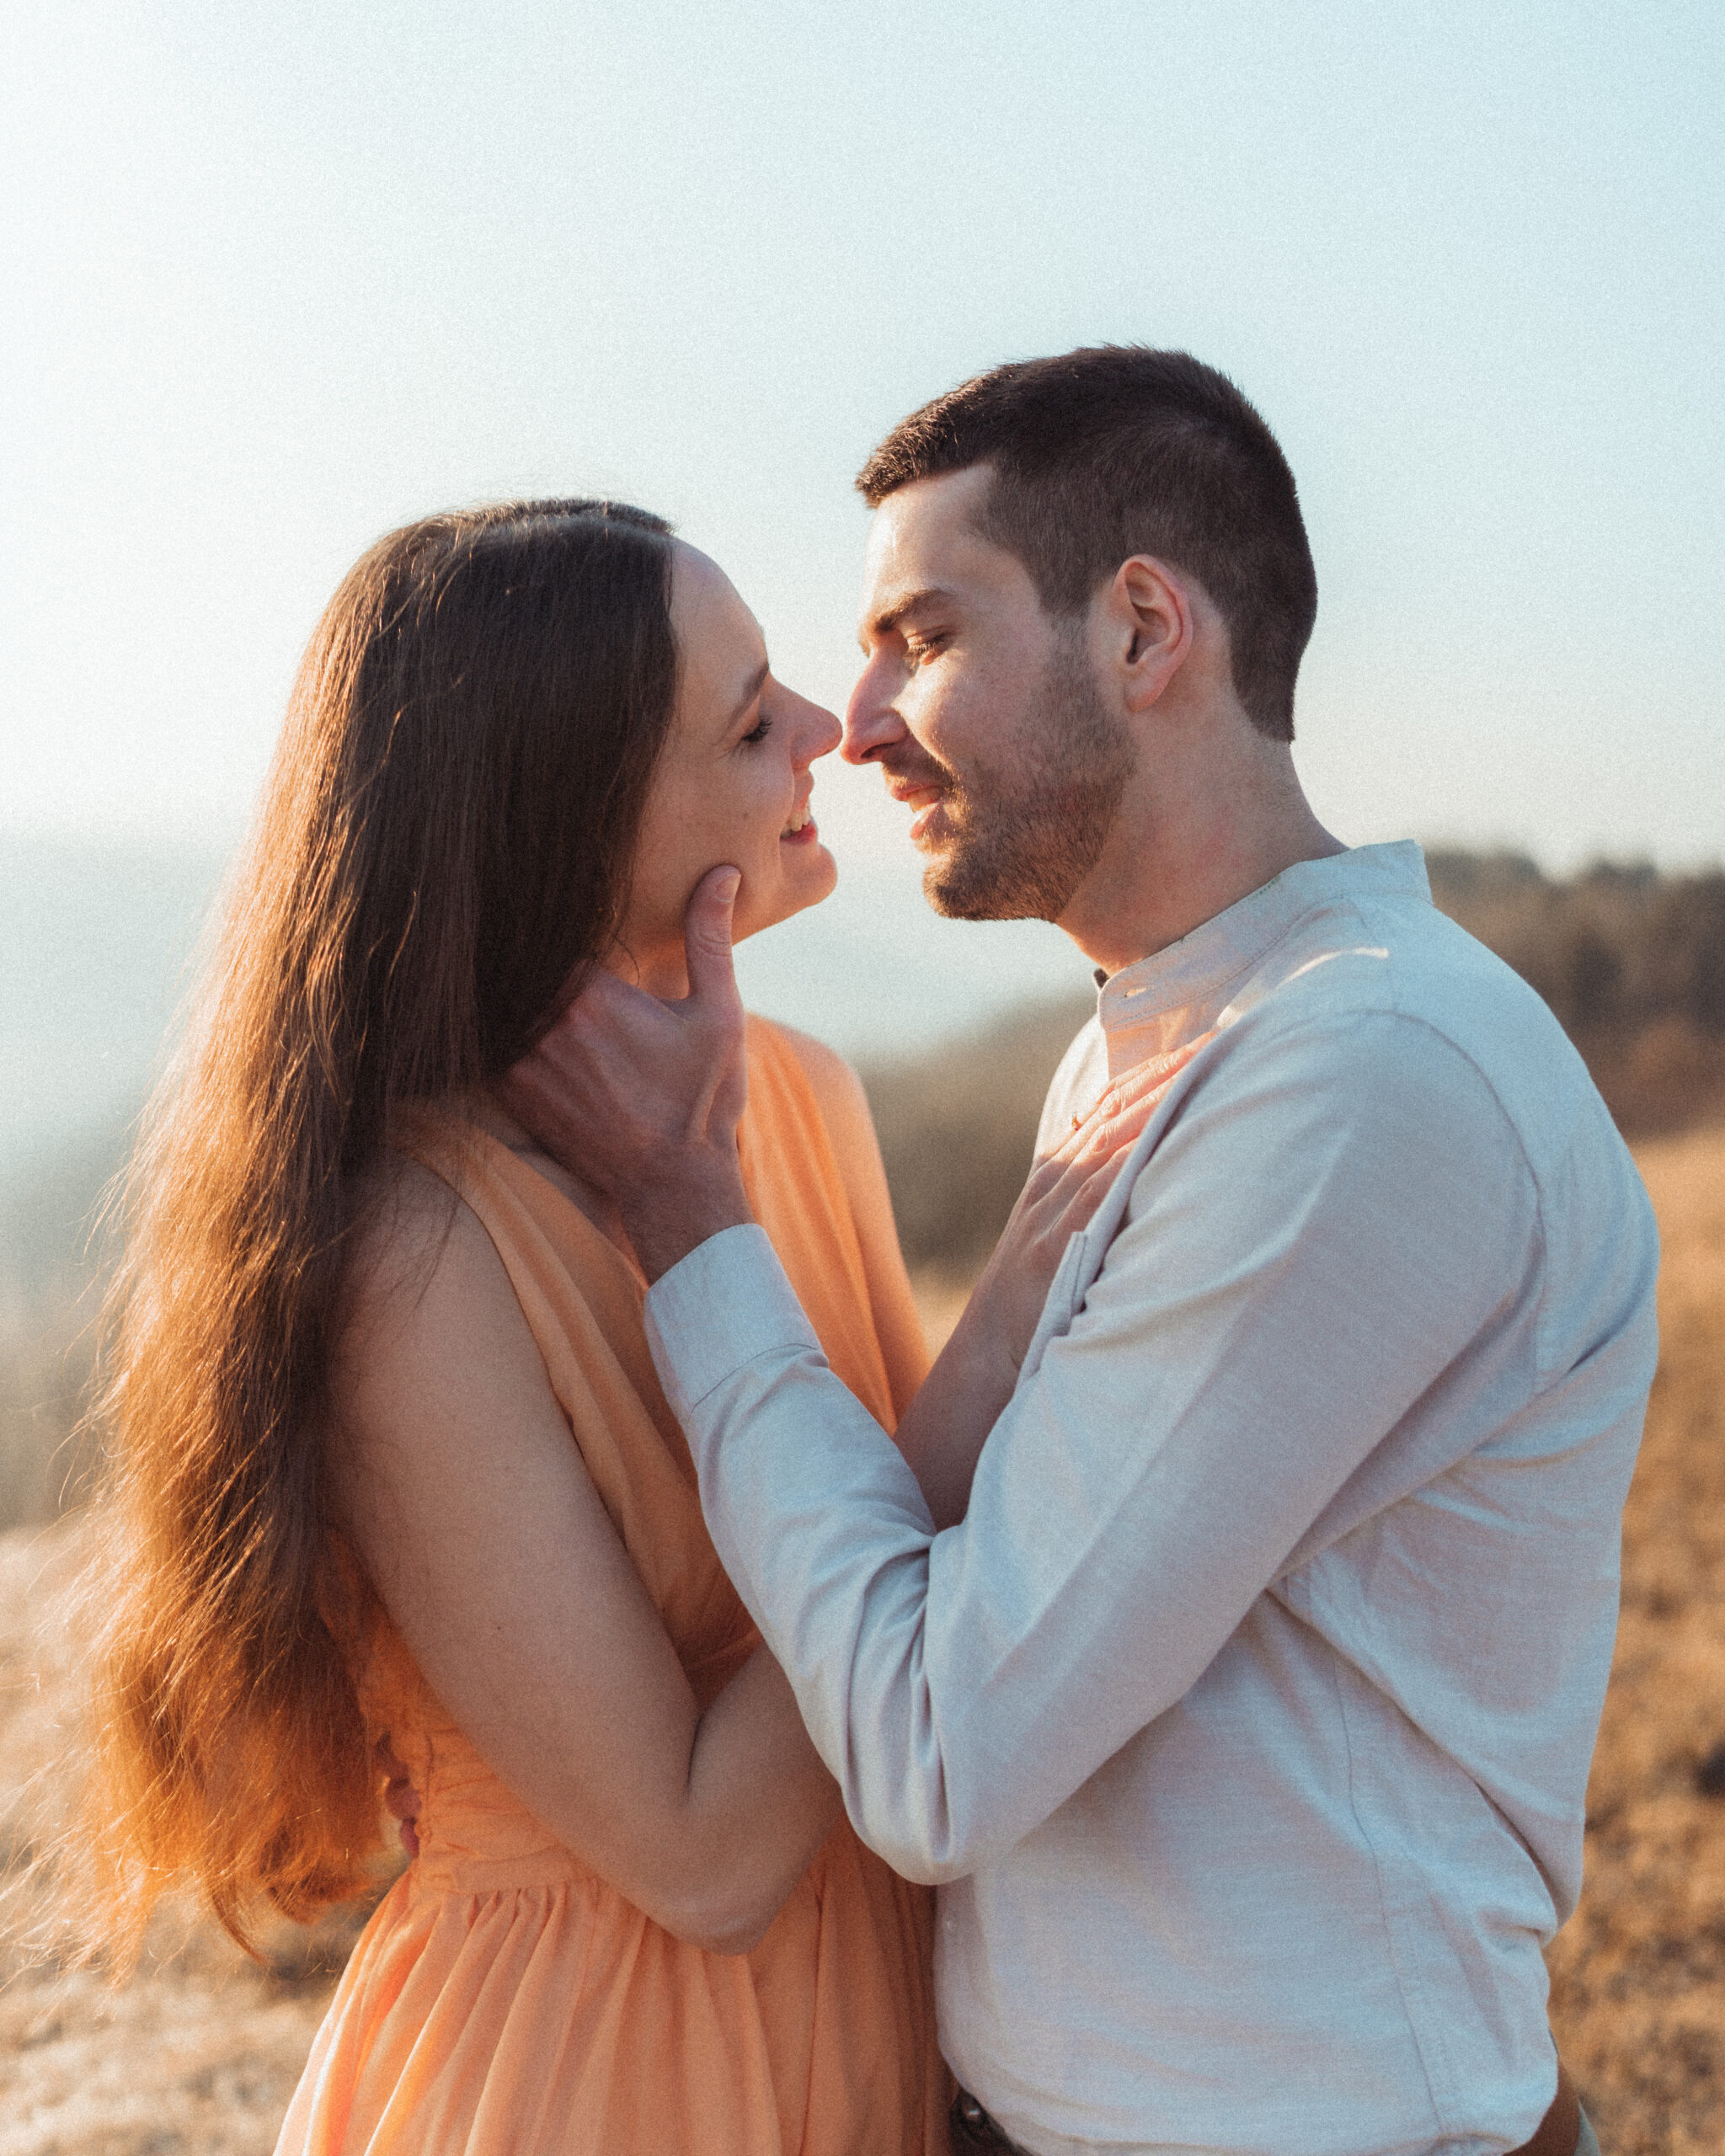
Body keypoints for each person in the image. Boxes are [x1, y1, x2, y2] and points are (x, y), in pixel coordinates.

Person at [504, 351, 1655, 2156]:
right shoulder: (1166, 1038)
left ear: (1141, 630)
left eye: (921, 635)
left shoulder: (1363, 1073)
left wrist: (692, 1224)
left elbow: (939, 1746)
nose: (858, 720)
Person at [73, 497, 1142, 2153]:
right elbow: (703, 1851)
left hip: (869, 2036)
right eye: (745, 718)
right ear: (561, 832)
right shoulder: (419, 1251)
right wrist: (994, 1348)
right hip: (596, 2071)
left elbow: (932, 1644)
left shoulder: (799, 1096)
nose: (825, 734)